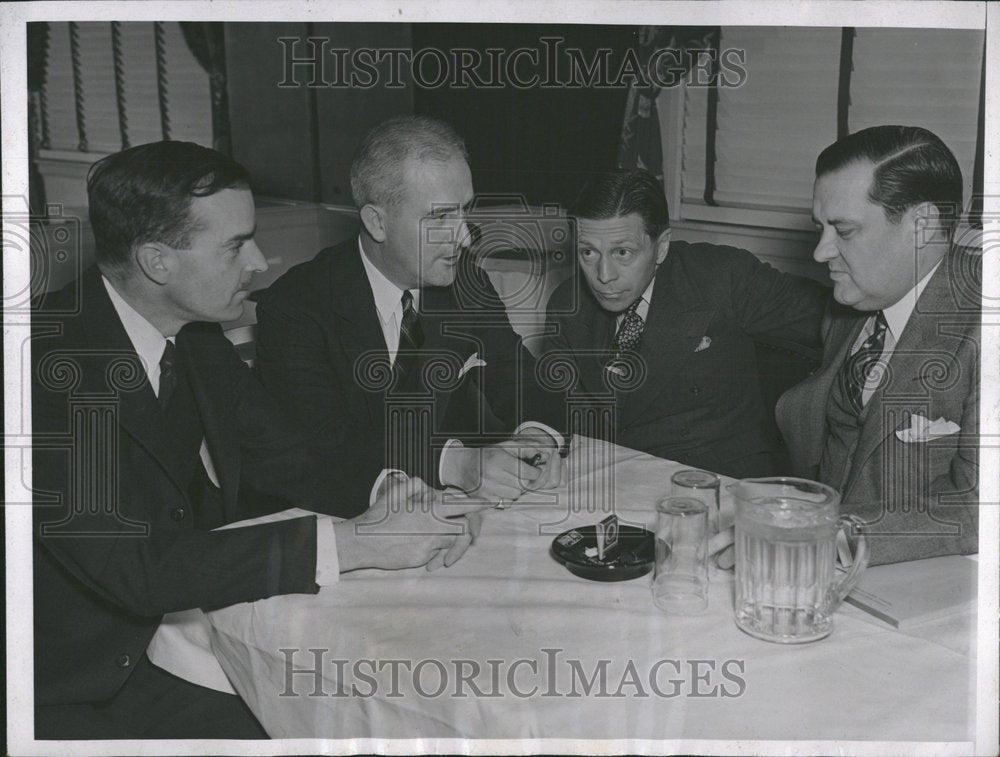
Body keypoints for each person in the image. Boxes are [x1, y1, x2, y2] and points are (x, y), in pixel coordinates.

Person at [31, 140, 490, 740]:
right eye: (234, 245)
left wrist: (395, 490)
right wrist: (354, 543)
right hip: (74, 687)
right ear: (156, 261)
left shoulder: (193, 339)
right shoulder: (45, 370)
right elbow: (138, 566)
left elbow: (285, 454)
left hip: (177, 642)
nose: (261, 259)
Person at [254, 116, 562, 509]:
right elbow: (320, 445)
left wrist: (536, 436)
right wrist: (455, 463)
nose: (466, 237)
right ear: (376, 222)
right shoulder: (297, 307)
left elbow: (520, 378)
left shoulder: (466, 283)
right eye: (440, 217)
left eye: (465, 211)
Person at [540, 168, 829, 479]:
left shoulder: (722, 278)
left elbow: (839, 319)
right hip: (614, 477)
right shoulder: (566, 306)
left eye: (622, 252)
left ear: (661, 246)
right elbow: (555, 409)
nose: (604, 275)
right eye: (588, 253)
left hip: (718, 480)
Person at [777, 125, 979, 566]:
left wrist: (817, 534)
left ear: (921, 225)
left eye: (843, 231)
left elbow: (978, 507)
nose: (820, 253)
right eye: (820, 228)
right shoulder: (856, 300)